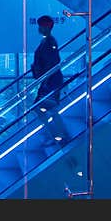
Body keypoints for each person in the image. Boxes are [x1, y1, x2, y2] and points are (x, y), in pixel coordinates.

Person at [31, 15, 68, 146]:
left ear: (47, 27)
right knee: (45, 108)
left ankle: (58, 134)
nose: (39, 28)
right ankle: (55, 133)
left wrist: (45, 79)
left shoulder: (49, 42)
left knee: (46, 107)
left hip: (51, 81)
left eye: (41, 26)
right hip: (49, 80)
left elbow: (52, 62)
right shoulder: (46, 41)